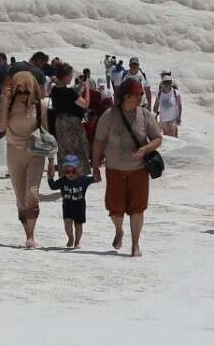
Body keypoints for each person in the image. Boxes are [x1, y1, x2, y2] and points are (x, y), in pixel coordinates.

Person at [93, 78, 162, 255]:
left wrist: (145, 149)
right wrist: (95, 166)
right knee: (115, 209)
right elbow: (98, 141)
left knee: (137, 208)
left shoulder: (145, 115)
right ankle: (119, 230)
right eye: (136, 95)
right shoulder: (109, 116)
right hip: (114, 169)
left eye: (140, 94)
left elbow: (157, 138)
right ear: (125, 96)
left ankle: (135, 244)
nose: (139, 98)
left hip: (138, 169)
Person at [0, 71, 48, 249]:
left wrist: (51, 162)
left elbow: (46, 133)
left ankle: (31, 235)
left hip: (35, 154)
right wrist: (3, 103)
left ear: (33, 89)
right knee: (20, 198)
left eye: (26, 92)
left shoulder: (40, 105)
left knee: (32, 194)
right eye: (19, 92)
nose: (23, 96)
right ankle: (27, 233)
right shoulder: (8, 105)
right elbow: (1, 127)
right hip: (14, 153)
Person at [47, 154, 99, 249]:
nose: (70, 173)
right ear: (63, 171)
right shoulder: (62, 180)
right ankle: (70, 237)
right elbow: (53, 186)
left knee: (78, 225)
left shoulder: (83, 179)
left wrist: (96, 171)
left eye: (73, 171)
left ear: (78, 169)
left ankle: (77, 241)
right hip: (67, 206)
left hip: (80, 206)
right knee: (67, 224)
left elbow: (96, 179)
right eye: (67, 171)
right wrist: (50, 178)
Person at [50, 63, 90, 175]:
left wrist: (79, 89)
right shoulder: (69, 92)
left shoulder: (54, 90)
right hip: (72, 123)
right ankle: (79, 174)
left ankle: (65, 175)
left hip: (59, 123)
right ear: (66, 76)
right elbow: (85, 104)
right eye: (70, 75)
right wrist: (87, 88)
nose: (72, 77)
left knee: (64, 150)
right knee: (77, 149)